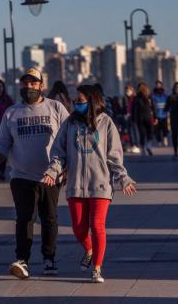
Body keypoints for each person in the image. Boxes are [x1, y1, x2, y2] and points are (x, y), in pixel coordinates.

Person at [42, 84, 137, 283]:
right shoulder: (69, 124)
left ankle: (97, 268)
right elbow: (59, 152)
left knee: (97, 225)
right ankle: (89, 250)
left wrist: (123, 178)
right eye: (76, 101)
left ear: (92, 101)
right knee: (78, 228)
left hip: (100, 184)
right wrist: (53, 171)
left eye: (81, 101)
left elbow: (114, 156)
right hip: (75, 184)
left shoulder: (106, 123)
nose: (77, 104)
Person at [0, 68, 69, 279]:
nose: (29, 87)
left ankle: (49, 258)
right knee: (24, 219)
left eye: (33, 83)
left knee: (49, 219)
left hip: (51, 175)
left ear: (41, 85)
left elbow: (69, 138)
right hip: (21, 176)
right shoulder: (11, 113)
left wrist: (67, 166)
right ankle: (22, 260)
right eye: (25, 83)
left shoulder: (56, 108)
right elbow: (4, 141)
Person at [132, 82, 156, 156]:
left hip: (140, 118)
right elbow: (153, 108)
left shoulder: (136, 98)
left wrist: (134, 119)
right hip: (148, 117)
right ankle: (148, 146)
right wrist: (155, 117)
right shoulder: (149, 97)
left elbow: (134, 109)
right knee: (150, 132)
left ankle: (144, 149)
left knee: (142, 134)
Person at [121, 84, 139, 154]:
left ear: (132, 91)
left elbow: (136, 108)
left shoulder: (135, 98)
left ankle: (136, 145)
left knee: (134, 131)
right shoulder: (125, 98)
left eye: (128, 90)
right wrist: (125, 114)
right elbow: (124, 108)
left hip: (134, 116)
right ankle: (132, 145)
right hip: (127, 116)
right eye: (126, 91)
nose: (127, 92)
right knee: (129, 131)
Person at [151, 80, 169, 146]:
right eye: (157, 85)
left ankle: (165, 138)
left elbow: (168, 103)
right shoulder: (153, 95)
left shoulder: (165, 95)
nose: (158, 86)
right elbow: (152, 104)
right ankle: (158, 141)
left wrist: (167, 111)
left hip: (164, 114)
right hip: (156, 114)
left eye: (159, 85)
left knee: (165, 128)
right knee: (157, 129)